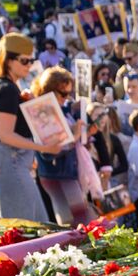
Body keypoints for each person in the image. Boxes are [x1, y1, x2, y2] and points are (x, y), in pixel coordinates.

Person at [0, 33, 63, 221]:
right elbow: (5, 134)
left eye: (31, 60)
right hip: (10, 161)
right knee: (26, 230)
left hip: (12, 162)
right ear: (8, 60)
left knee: (37, 226)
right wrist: (43, 147)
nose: (29, 65)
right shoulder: (6, 89)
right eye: (24, 60)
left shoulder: (3, 85)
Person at [31, 67, 92, 226]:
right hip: (56, 173)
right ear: (49, 91)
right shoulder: (43, 112)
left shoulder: (62, 109)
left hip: (65, 171)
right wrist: (75, 136)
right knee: (74, 221)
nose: (67, 98)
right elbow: (49, 152)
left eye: (69, 94)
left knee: (78, 220)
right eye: (63, 94)